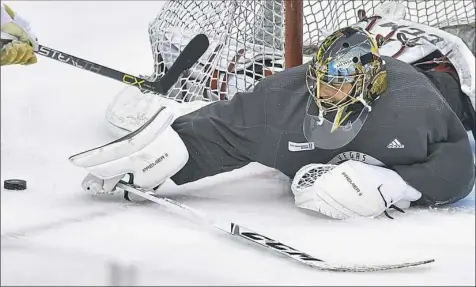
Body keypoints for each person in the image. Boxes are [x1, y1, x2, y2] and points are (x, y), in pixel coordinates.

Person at [69, 26, 475, 220]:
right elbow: (225, 129)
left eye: (340, 84)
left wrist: (403, 184)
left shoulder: (415, 107)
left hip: (444, 86)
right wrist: (171, 154)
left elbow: (458, 164)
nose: (326, 93)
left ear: (369, 82)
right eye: (322, 81)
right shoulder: (281, 101)